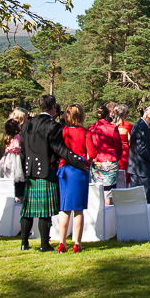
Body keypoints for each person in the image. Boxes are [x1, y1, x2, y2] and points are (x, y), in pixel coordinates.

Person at [19, 95, 88, 252]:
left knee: (28, 210)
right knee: (44, 211)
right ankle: (44, 244)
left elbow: (23, 151)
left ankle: (24, 242)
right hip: (46, 169)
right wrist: (79, 162)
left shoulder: (28, 124)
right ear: (52, 108)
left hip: (30, 169)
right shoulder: (52, 126)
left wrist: (24, 168)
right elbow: (60, 150)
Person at [57, 104, 91, 253]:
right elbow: (91, 152)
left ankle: (61, 241)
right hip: (79, 170)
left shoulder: (63, 131)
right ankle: (77, 242)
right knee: (78, 209)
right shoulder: (85, 132)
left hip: (64, 169)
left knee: (65, 209)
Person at [128, 105, 150, 214]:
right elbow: (142, 150)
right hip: (141, 171)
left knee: (146, 202)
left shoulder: (143, 126)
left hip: (142, 170)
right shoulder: (141, 127)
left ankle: (148, 227)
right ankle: (146, 227)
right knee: (144, 202)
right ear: (147, 114)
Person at [87, 105, 123, 200]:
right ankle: (108, 212)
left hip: (97, 161)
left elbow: (90, 150)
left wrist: (93, 156)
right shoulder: (113, 128)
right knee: (109, 192)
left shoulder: (91, 128)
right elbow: (118, 146)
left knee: (97, 191)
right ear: (107, 115)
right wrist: (117, 157)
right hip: (110, 161)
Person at [0, 116, 26, 201]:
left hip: (8, 157)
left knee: (9, 174)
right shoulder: (17, 136)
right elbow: (17, 146)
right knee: (16, 174)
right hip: (15, 158)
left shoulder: (8, 137)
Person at [112, 104, 132, 177]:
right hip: (124, 153)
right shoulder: (127, 125)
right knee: (124, 175)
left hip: (113, 153)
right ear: (125, 114)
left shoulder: (110, 125)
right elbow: (130, 142)